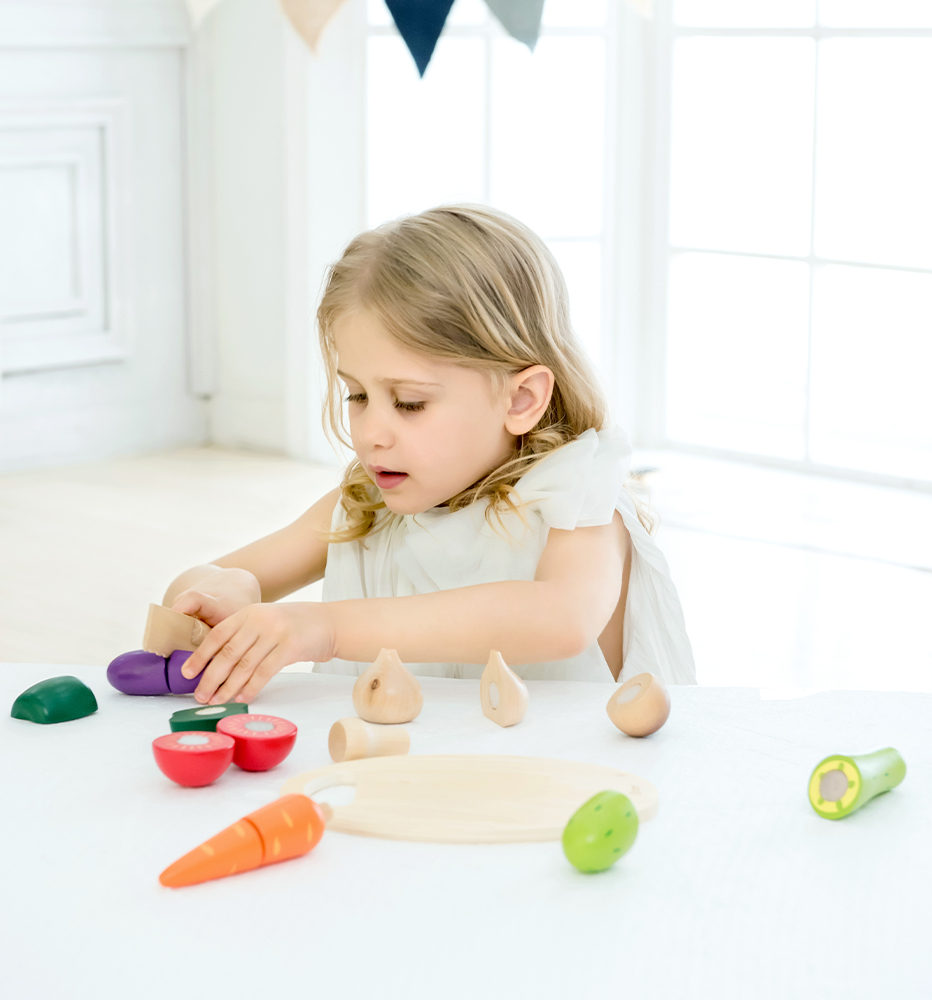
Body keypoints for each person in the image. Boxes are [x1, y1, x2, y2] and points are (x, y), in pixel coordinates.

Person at [166, 205, 696, 706]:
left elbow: (562, 617)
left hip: (560, 786)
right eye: (357, 396)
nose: (372, 432)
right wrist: (227, 588)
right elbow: (195, 586)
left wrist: (328, 628)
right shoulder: (365, 506)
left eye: (410, 403)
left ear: (521, 399)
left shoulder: (574, 497)